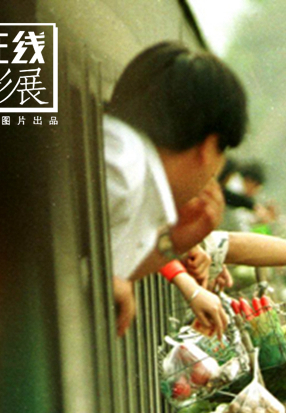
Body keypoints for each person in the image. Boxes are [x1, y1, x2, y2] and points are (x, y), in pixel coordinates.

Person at [104, 42, 248, 337]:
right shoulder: (121, 166)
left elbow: (117, 270)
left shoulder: (136, 172)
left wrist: (177, 240)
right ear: (208, 148)